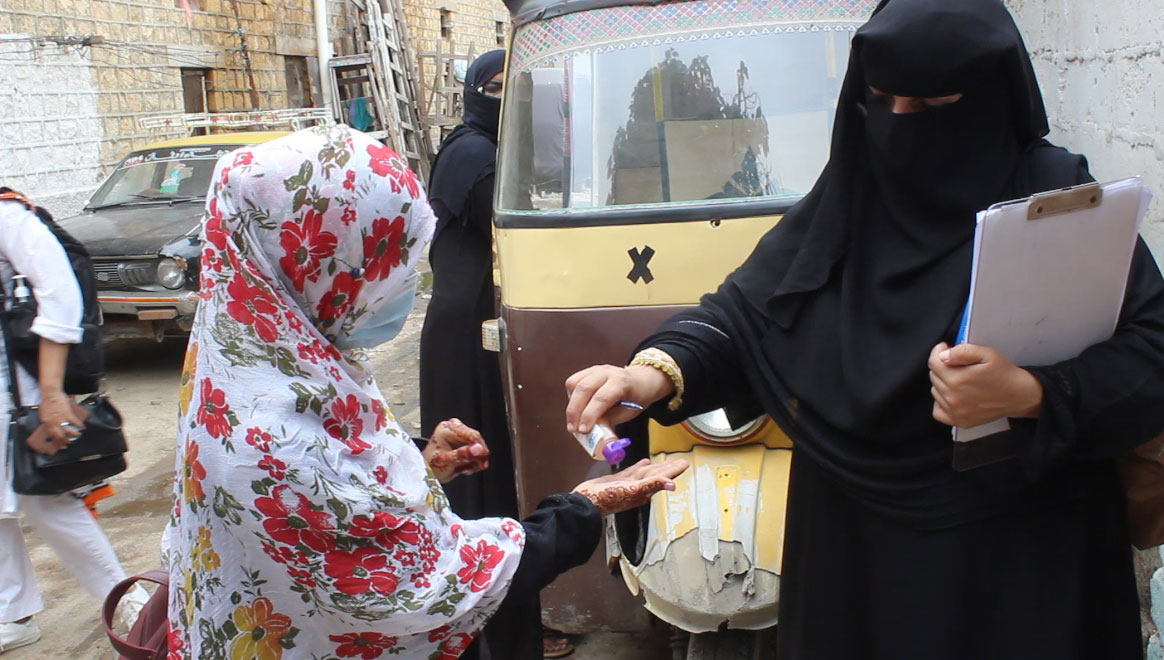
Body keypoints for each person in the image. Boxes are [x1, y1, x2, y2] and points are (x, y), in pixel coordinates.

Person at [564, 1, 1164, 658]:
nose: (900, 127)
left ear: (992, 100)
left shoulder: (1055, 208)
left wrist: (1034, 394)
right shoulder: (846, 204)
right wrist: (648, 374)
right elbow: (746, 318)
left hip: (1023, 566)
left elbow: (1151, 354)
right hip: (858, 565)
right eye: (882, 101)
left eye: (935, 106)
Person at [165, 125, 688, 659]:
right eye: (387, 264)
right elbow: (433, 583)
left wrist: (419, 459)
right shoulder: (272, 438)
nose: (402, 287)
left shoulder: (250, 354)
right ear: (320, 261)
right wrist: (585, 507)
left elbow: (339, 484)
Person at [420, 50, 555, 659]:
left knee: (496, 468)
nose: (504, 100)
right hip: (464, 337)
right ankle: (484, 628)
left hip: (486, 327)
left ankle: (507, 619)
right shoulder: (472, 153)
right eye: (494, 89)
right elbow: (511, 225)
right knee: (474, 476)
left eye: (514, 89)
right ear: (477, 92)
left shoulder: (491, 149)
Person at [0, 190, 147, 654]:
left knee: (47, 500)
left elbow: (60, 295)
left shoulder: (7, 216)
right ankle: (12, 613)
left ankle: (135, 610)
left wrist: (49, 394)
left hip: (14, 393)